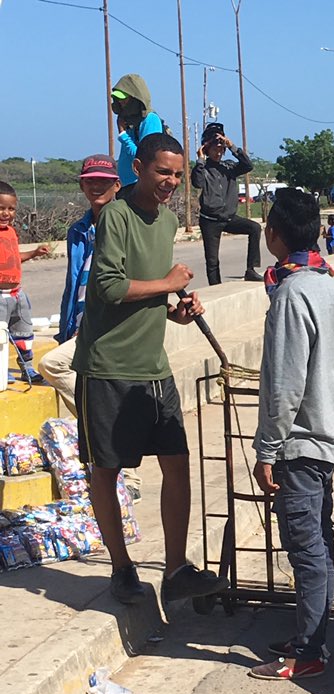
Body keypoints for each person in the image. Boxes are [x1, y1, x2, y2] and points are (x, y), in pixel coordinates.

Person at [73, 133, 228, 606]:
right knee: (107, 469)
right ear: (138, 167)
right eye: (163, 172)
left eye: (178, 175)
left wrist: (174, 307)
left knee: (176, 463)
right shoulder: (116, 215)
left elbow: (149, 294)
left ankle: (177, 567)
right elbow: (108, 287)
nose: (171, 182)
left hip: (153, 367)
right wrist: (168, 282)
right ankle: (122, 568)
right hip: (108, 367)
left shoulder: (166, 222)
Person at [249, 189, 334, 681]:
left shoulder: (291, 293)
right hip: (326, 433)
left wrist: (266, 449)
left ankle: (308, 651)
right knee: (318, 543)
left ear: (274, 233)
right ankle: (311, 636)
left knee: (306, 547)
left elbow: (285, 384)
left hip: (301, 440)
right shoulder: (326, 283)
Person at [37, 156, 141, 501]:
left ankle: (128, 472)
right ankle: (119, 465)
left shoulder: (128, 223)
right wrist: (67, 328)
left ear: (116, 186)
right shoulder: (78, 230)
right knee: (101, 400)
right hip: (81, 328)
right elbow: (74, 282)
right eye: (89, 181)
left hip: (110, 329)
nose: (96, 187)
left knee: (52, 365)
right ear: (82, 186)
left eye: (104, 181)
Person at [191, 121, 263, 284]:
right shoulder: (203, 168)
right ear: (207, 149)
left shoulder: (229, 167)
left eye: (220, 148)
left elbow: (248, 165)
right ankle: (215, 287)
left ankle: (251, 270)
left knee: (254, 228)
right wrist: (200, 160)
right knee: (212, 261)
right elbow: (197, 182)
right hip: (210, 220)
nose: (218, 152)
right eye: (215, 148)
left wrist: (231, 146)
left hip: (229, 217)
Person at [0, 180, 50, 384]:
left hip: (17, 294)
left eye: (11, 209)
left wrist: (35, 252)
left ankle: (26, 368)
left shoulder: (11, 232)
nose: (6, 213)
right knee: (0, 335)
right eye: (1, 208)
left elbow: (15, 257)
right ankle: (2, 369)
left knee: (23, 332)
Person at [111, 74, 164, 187]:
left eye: (124, 99)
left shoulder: (150, 120)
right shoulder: (129, 121)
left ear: (136, 99)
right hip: (125, 186)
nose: (121, 102)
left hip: (139, 186)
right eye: (118, 99)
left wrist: (123, 135)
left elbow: (145, 157)